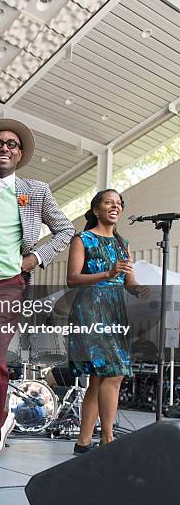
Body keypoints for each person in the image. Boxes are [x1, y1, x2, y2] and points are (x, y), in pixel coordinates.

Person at [0, 118, 75, 465]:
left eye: (12, 144)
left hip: (8, 286)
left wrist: (34, 258)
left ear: (20, 154)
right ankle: (1, 415)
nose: (5, 147)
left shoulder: (35, 190)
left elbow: (65, 230)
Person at [67, 189, 147, 453]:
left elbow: (129, 281)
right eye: (109, 202)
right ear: (96, 209)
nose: (115, 207)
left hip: (115, 311)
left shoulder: (122, 243)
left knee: (99, 379)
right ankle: (108, 439)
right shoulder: (83, 239)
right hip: (90, 309)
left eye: (119, 203)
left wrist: (139, 290)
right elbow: (73, 278)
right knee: (115, 372)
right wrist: (107, 273)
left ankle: (83, 442)